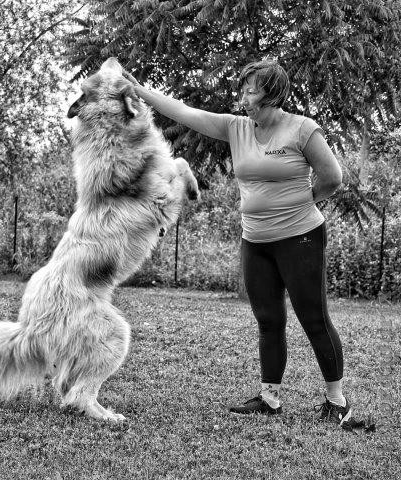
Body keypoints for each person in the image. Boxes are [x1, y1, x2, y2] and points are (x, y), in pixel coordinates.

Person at [123, 58, 351, 425]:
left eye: (251, 88)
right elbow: (184, 112)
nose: (243, 94)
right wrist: (140, 91)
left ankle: (336, 400)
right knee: (268, 319)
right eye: (243, 87)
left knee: (313, 317)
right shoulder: (236, 128)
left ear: (271, 92)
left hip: (300, 238)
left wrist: (301, 202)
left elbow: (332, 177)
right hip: (255, 240)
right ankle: (270, 397)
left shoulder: (302, 130)